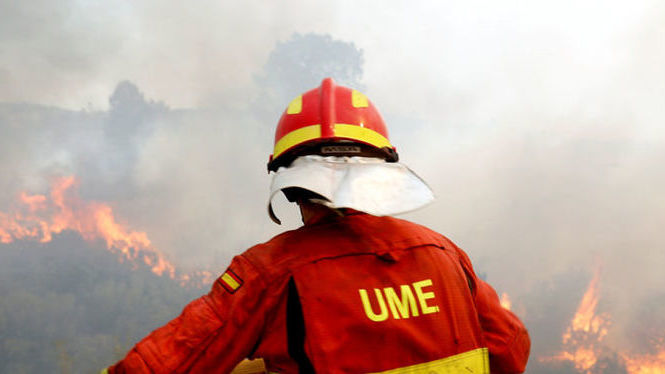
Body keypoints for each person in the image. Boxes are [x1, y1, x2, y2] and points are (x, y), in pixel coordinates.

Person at [104, 78, 530, 373]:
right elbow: (510, 348)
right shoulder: (444, 255)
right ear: (382, 171)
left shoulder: (269, 273)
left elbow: (166, 364)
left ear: (290, 186)